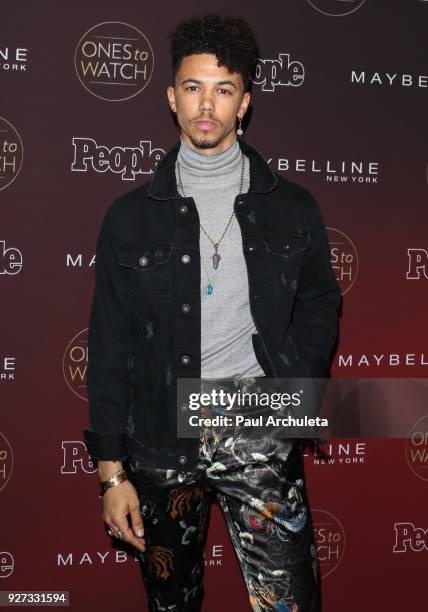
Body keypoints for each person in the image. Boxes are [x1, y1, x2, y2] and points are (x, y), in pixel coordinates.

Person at [83, 13, 341, 612]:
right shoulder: (128, 217)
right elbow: (109, 346)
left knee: (290, 604)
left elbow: (321, 301)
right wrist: (111, 474)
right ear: (172, 97)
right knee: (171, 604)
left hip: (258, 423)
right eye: (194, 87)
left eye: (223, 90)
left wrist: (294, 384)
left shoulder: (292, 207)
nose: (207, 104)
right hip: (159, 434)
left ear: (244, 103)